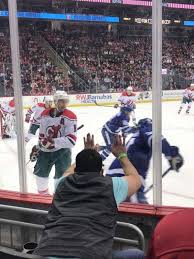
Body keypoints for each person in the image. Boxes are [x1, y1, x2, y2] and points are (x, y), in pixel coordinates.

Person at [33, 133, 144, 259]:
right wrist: (121, 155)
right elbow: (136, 179)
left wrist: (86, 152)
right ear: (101, 171)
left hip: (47, 253)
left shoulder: (62, 183)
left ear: (76, 170)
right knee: (137, 255)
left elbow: (68, 172)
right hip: (91, 254)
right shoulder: (111, 186)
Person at [107, 118, 184, 204]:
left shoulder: (137, 138)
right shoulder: (146, 129)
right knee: (139, 213)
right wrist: (172, 154)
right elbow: (155, 138)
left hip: (119, 178)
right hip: (126, 179)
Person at [30, 91, 77, 195]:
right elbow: (42, 135)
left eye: (66, 102)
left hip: (62, 152)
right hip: (45, 151)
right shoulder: (44, 114)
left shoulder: (70, 116)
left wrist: (53, 142)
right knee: (40, 176)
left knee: (62, 179)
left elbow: (72, 141)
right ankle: (43, 199)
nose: (64, 104)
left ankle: (59, 200)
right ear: (55, 101)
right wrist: (38, 146)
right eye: (61, 102)